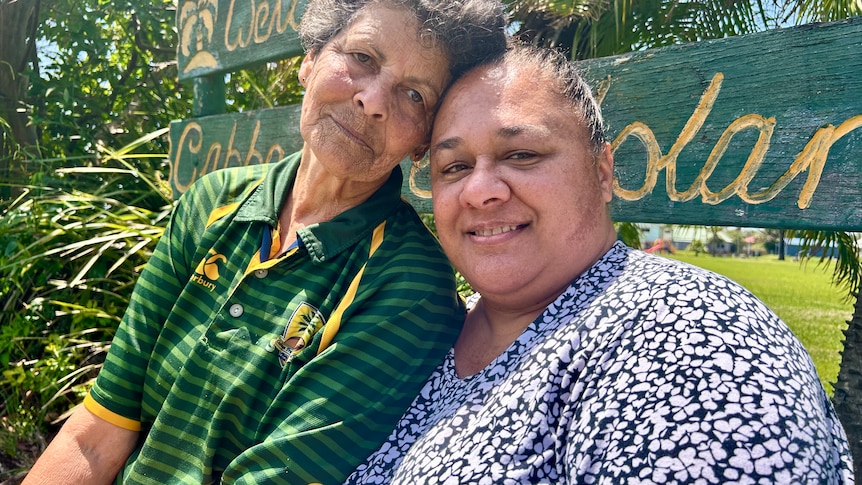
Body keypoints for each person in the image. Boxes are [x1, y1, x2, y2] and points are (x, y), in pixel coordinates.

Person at [22, 1, 507, 484]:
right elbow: (96, 434)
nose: (374, 101)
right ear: (310, 60)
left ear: (423, 143)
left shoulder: (407, 286)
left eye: (415, 96)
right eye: (362, 57)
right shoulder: (215, 200)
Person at [347, 44, 855, 483]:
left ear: (603, 171)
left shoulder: (686, 334)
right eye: (454, 167)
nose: (480, 191)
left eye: (521, 154)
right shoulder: (425, 326)